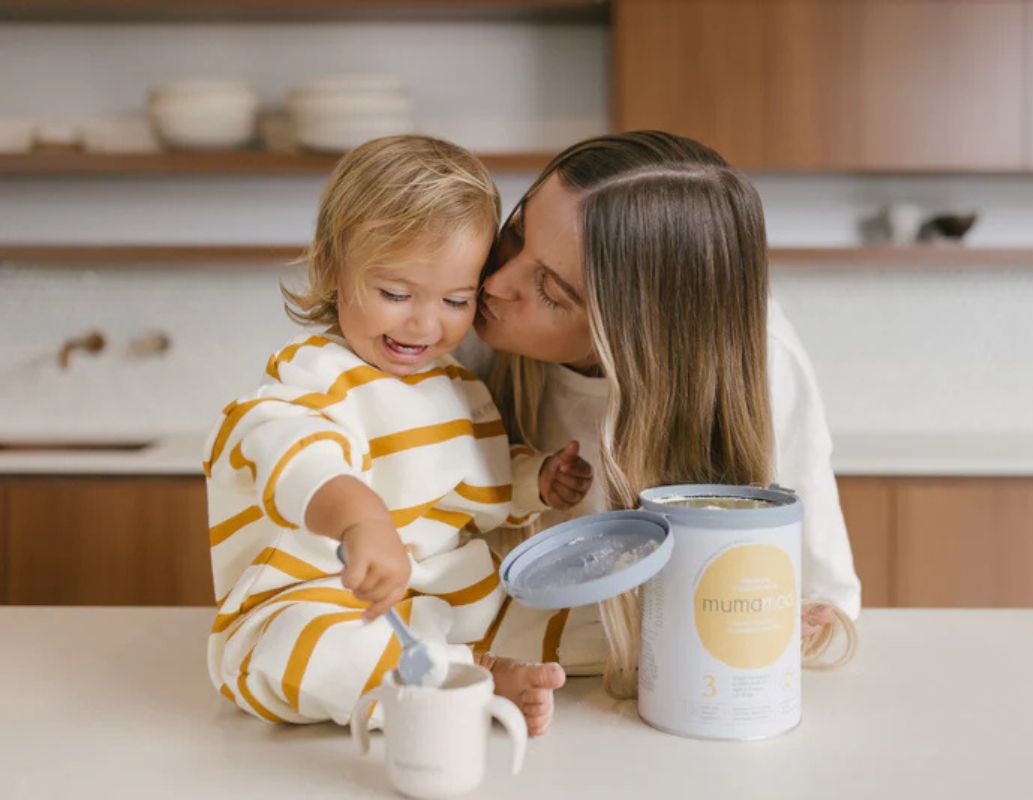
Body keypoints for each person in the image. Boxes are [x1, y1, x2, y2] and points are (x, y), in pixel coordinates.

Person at [202, 135, 590, 733]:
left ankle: (475, 668)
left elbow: (478, 486)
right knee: (301, 652)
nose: (423, 322)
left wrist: (535, 480)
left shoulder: (459, 386)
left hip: (441, 605)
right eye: (395, 294)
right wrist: (361, 521)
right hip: (322, 600)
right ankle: (467, 678)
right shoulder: (314, 371)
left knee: (571, 619)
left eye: (456, 300)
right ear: (332, 268)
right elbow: (291, 446)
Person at [459, 131, 861, 700]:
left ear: (633, 334)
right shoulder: (460, 326)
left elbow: (824, 605)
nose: (494, 285)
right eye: (516, 234)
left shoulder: (764, 362)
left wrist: (772, 629)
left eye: (550, 292)